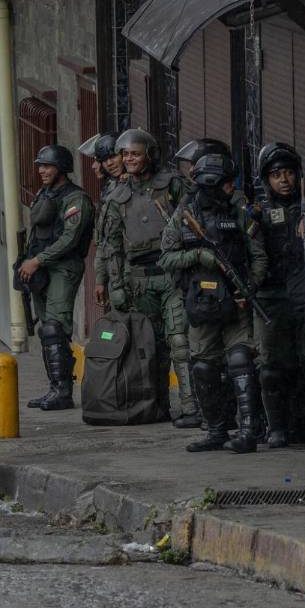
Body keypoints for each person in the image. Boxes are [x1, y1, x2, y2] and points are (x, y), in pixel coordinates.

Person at [159, 153, 268, 453]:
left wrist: (249, 288)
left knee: (240, 360)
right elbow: (166, 257)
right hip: (201, 301)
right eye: (224, 184)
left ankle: (248, 430)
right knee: (204, 367)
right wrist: (198, 256)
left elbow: (258, 256)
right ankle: (216, 430)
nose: (230, 189)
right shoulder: (185, 213)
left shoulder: (241, 211)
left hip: (235, 300)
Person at [102, 129, 196, 425]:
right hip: (139, 281)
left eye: (135, 153)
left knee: (179, 341)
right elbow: (112, 245)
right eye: (125, 154)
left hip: (172, 275)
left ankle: (191, 406)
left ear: (150, 155)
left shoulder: (172, 185)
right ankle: (157, 406)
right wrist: (115, 285)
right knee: (149, 346)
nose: (129, 159)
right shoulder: (117, 197)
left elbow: (193, 220)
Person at [251, 143, 305, 449]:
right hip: (271, 299)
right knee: (271, 367)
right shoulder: (256, 213)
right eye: (276, 175)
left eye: (288, 173)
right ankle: (277, 427)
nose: (283, 180)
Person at [16, 145, 95, 411]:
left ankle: (63, 391)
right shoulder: (43, 194)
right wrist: (27, 262)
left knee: (56, 329)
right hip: (40, 269)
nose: (42, 171)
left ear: (61, 168)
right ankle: (53, 388)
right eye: (40, 166)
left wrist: (37, 260)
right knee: (45, 331)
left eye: (47, 166)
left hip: (62, 267)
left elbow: (70, 239)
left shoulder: (76, 199)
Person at [77, 134, 121, 312]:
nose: (96, 165)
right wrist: (100, 280)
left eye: (98, 160)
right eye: (102, 160)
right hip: (116, 273)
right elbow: (103, 241)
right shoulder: (109, 191)